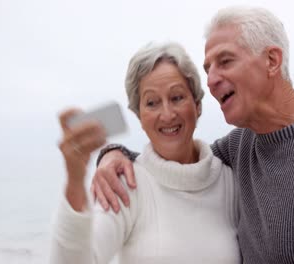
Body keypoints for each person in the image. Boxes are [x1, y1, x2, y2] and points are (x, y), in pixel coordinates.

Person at [91, 6, 294, 263]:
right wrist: (113, 153)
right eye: (208, 68)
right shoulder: (239, 147)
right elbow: (178, 158)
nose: (212, 80)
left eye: (225, 61)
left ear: (271, 60)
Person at [50, 42, 241, 263]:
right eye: (152, 103)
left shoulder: (230, 181)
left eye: (177, 97)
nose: (167, 114)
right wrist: (75, 179)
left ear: (197, 105)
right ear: (140, 116)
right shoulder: (126, 185)